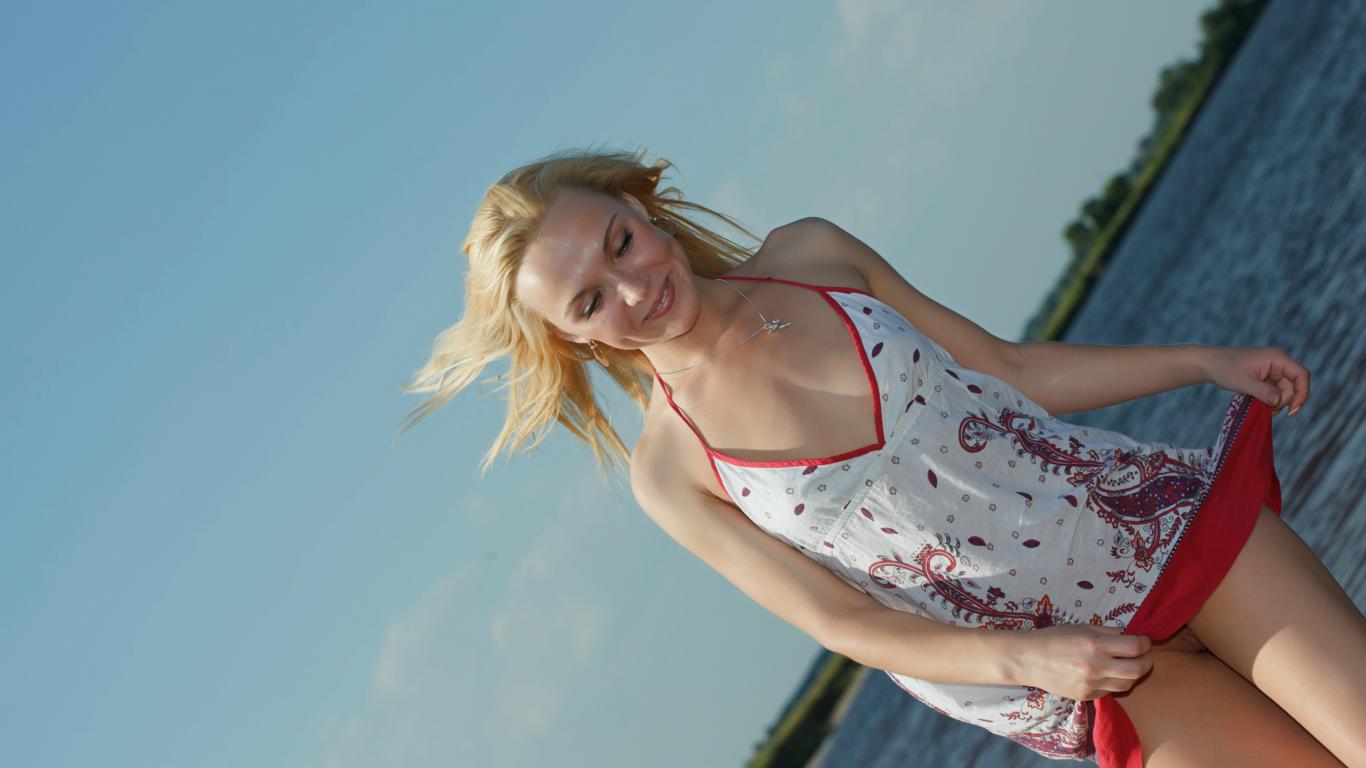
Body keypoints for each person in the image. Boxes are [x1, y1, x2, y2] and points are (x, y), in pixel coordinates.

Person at [402, 148, 1366, 767]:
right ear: (572, 339)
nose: (631, 287)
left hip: (1161, 530)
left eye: (619, 242)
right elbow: (843, 620)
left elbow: (1011, 368)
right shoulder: (673, 472)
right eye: (588, 300)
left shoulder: (812, 254)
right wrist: (1026, 655)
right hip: (1078, 671)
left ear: (636, 205)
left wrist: (1203, 360)